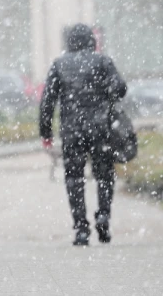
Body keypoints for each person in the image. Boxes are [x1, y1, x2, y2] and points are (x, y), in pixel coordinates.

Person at [39, 23, 127, 246]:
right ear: (92, 41)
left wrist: (46, 132)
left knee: (74, 179)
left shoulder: (59, 65)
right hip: (101, 129)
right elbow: (120, 89)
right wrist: (105, 92)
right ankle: (103, 215)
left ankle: (81, 229)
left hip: (72, 131)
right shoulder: (103, 61)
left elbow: (47, 101)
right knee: (104, 174)